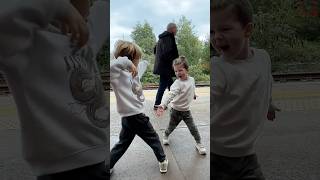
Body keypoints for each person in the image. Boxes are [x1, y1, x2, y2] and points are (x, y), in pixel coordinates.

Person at [0, 0, 109, 179]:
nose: (91, 4)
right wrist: (56, 6)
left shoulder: (83, 36)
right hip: (61, 171)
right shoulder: (23, 42)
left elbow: (105, 8)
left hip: (97, 161)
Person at [210, 0, 280, 179]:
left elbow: (265, 81)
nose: (216, 37)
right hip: (215, 157)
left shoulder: (263, 58)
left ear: (247, 30)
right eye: (212, 31)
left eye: (224, 29)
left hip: (247, 156)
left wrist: (269, 104)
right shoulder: (218, 68)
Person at [110, 40, 169, 174]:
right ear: (128, 59)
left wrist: (147, 61)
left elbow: (142, 66)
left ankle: (108, 165)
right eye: (136, 59)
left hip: (128, 118)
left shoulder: (133, 73)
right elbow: (113, 64)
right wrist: (127, 62)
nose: (137, 62)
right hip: (136, 116)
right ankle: (163, 160)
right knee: (153, 138)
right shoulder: (116, 75)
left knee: (122, 144)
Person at [156, 56, 207, 155]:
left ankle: (199, 143)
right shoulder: (177, 83)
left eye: (180, 70)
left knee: (193, 128)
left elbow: (191, 88)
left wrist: (193, 95)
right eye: (175, 71)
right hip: (175, 111)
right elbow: (170, 95)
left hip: (186, 111)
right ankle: (165, 135)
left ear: (187, 69)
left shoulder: (192, 80)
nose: (178, 73)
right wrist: (163, 105)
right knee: (171, 127)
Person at [153, 23, 179, 110]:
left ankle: (174, 103)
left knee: (171, 86)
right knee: (163, 86)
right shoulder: (168, 38)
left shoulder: (161, 38)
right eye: (176, 29)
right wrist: (173, 64)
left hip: (163, 66)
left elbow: (155, 50)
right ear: (172, 29)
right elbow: (167, 53)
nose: (177, 31)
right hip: (166, 67)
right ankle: (157, 105)